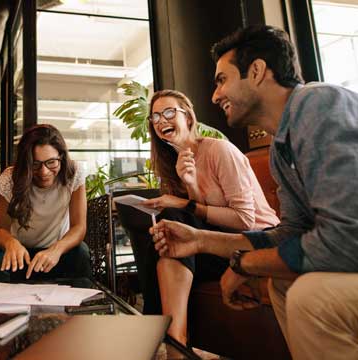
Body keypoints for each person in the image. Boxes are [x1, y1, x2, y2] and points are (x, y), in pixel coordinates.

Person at [151, 25, 358, 359]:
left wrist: (245, 263)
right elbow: (290, 233)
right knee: (284, 284)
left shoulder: (319, 104)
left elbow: (345, 240)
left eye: (221, 80)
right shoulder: (282, 147)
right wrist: (200, 240)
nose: (215, 97)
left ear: (258, 71)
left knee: (310, 296)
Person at [136, 89, 278, 345]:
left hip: (254, 241)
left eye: (169, 112)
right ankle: (174, 337)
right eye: (155, 117)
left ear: (188, 117)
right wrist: (189, 186)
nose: (161, 121)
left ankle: (169, 338)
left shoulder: (219, 150)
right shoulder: (173, 164)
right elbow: (197, 218)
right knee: (164, 236)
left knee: (173, 220)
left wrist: (184, 202)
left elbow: (244, 219)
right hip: (211, 241)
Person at [0, 124, 90, 284]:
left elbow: (79, 227)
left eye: (51, 162)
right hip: (20, 254)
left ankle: (80, 306)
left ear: (61, 156)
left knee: (81, 253)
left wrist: (57, 249)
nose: (44, 172)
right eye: (35, 164)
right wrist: (11, 243)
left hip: (56, 253)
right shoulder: (10, 178)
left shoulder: (73, 173)